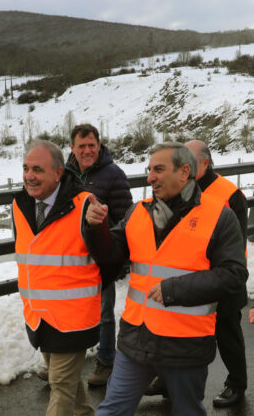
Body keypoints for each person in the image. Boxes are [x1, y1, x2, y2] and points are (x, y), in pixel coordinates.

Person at [83, 142, 248, 415]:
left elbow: (234, 275)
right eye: (149, 170)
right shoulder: (138, 211)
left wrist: (174, 290)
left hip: (185, 345)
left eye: (158, 169)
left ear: (184, 173)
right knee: (112, 409)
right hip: (135, 339)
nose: (150, 177)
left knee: (187, 411)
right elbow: (110, 253)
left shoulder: (220, 217)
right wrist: (96, 227)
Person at [146, 139, 249, 407]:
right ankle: (168, 381)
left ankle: (237, 384)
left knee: (227, 334)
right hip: (185, 280)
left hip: (221, 281)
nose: (183, 163)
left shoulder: (230, 194)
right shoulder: (176, 189)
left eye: (188, 158)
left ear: (204, 162)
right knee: (176, 333)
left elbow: (232, 246)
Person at [15, 139, 110, 415]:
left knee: (60, 384)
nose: (29, 176)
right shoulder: (19, 204)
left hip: (73, 318)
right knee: (68, 385)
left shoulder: (84, 206)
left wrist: (98, 228)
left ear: (58, 173)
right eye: (25, 168)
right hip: (39, 316)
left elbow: (110, 257)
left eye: (38, 169)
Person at [65, 123, 133, 386]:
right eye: (81, 145)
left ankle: (106, 362)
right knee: (72, 310)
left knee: (104, 312)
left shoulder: (113, 174)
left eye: (91, 145)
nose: (87, 150)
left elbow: (125, 216)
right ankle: (66, 363)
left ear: (99, 145)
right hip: (72, 257)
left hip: (100, 257)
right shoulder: (65, 174)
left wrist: (112, 247)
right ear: (72, 147)